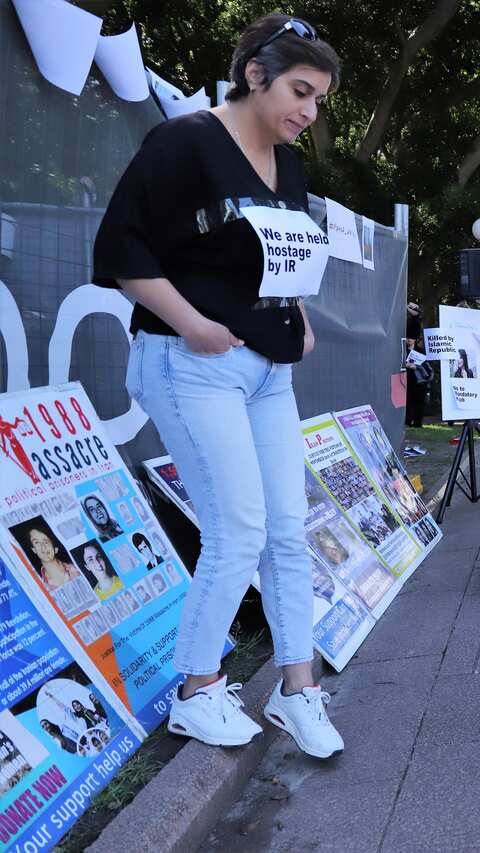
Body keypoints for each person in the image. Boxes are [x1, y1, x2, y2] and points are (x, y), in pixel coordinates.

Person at [91, 14, 344, 757]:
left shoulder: (290, 167)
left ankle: (299, 691)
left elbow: (280, 255)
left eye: (320, 99)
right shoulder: (185, 140)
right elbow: (120, 247)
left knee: (287, 532)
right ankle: (197, 691)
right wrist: (191, 322)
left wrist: (298, 316)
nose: (310, 111)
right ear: (256, 74)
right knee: (238, 530)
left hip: (268, 370)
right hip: (189, 360)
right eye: (301, 91)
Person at [23, 527, 81, 592]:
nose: (43, 546)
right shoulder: (40, 586)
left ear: (55, 549)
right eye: (37, 542)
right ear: (34, 550)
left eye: (46, 541)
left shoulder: (77, 568)